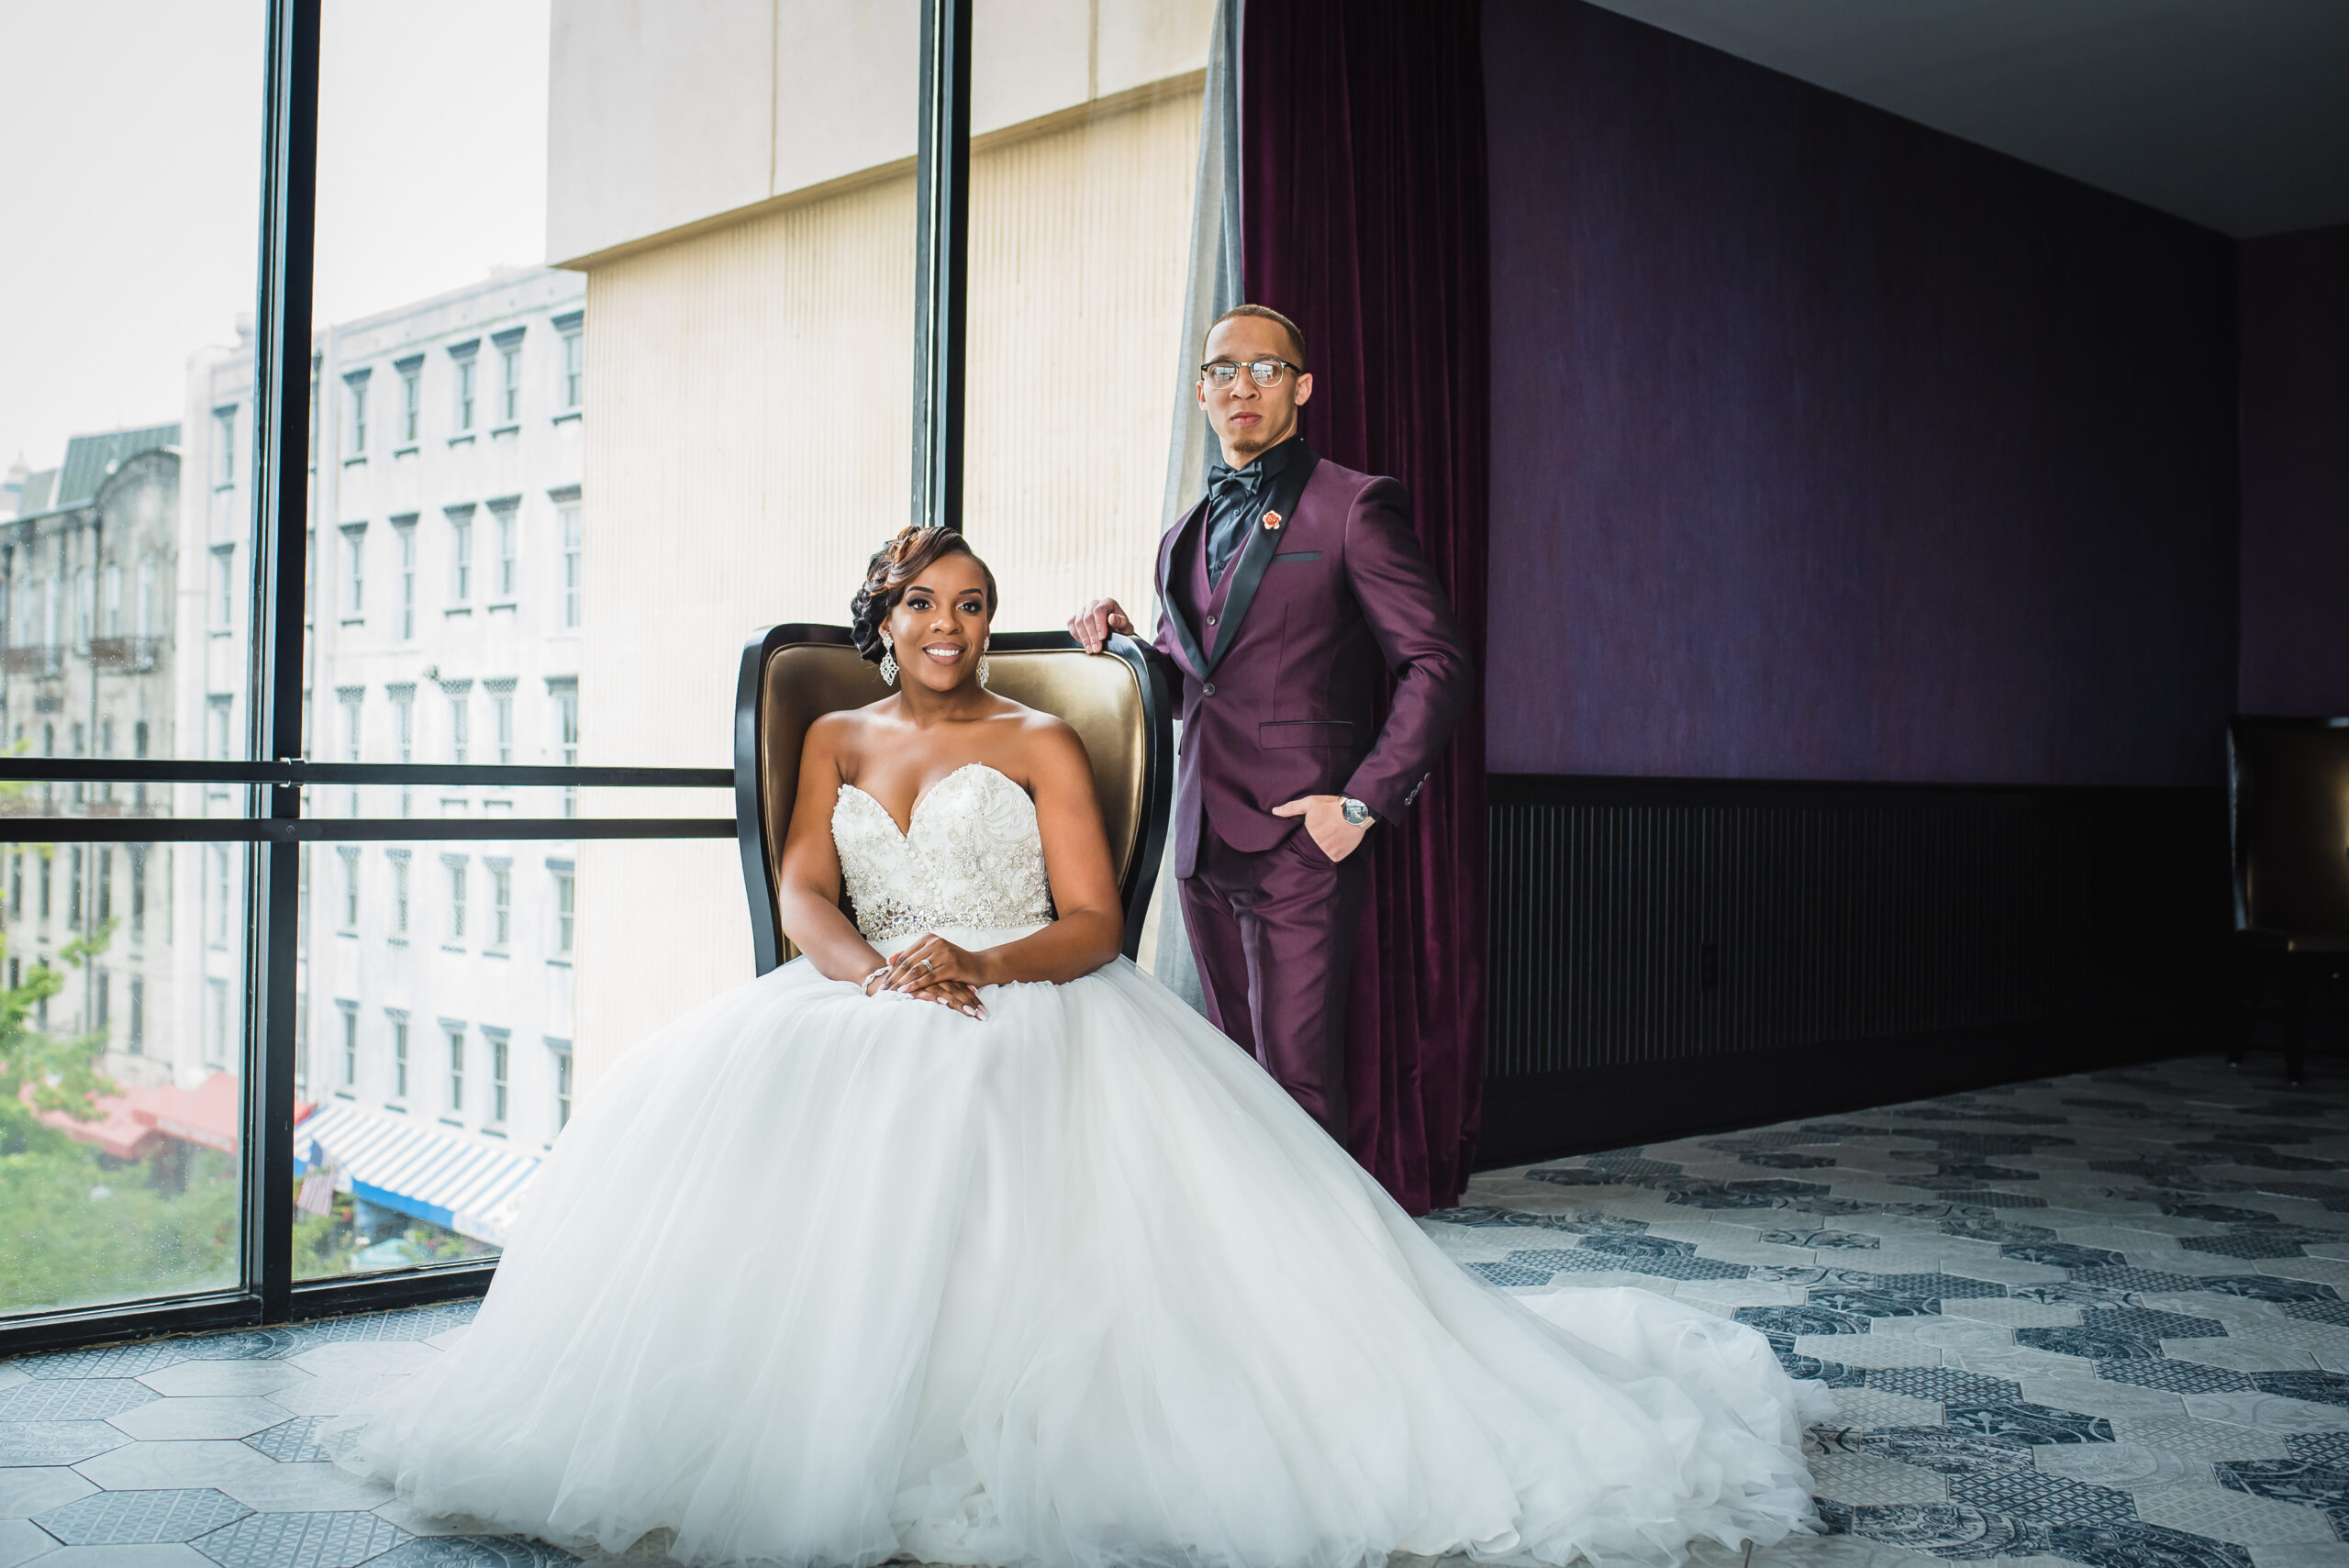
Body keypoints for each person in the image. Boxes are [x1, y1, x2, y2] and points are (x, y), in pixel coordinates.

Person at [328, 527, 1826, 1568]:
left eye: (976, 604)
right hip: (862, 989)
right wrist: (865, 975)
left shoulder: (1043, 736)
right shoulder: (836, 737)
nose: (954, 627)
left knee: (1001, 1136)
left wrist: (974, 957)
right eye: (927, 603)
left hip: (1026, 989)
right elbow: (801, 886)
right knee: (712, 1129)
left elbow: (1099, 921)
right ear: (883, 618)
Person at [1070, 303, 1473, 1142]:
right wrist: (1124, 650)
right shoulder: (1181, 535)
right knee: (1234, 1074)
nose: (1241, 385)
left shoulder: (1355, 508)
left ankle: (1321, 1269)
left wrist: (1358, 805)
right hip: (1201, 838)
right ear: (1201, 391)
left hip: (1301, 838)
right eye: (1223, 370)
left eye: (1265, 368)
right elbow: (1199, 686)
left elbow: (1437, 663)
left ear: (1303, 387)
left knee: (1295, 1079)